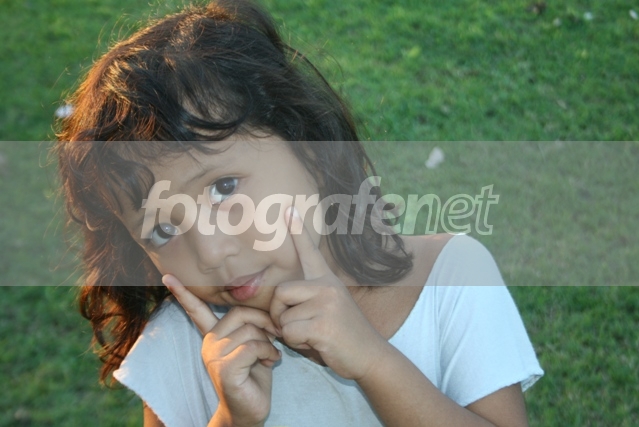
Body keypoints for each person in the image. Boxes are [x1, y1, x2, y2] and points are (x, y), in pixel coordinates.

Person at [55, 1, 543, 426]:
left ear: (307, 145)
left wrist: (373, 362)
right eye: (163, 228)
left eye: (224, 188)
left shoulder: (449, 280)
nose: (212, 252)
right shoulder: (182, 346)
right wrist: (231, 419)